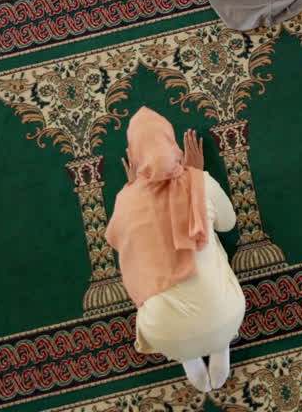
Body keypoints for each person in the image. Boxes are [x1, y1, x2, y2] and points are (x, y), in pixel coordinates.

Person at [104, 107, 245, 392]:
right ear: (172, 146)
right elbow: (228, 224)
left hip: (165, 335)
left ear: (135, 157)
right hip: (227, 316)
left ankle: (186, 354)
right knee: (208, 239)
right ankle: (220, 343)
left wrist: (132, 189)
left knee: (146, 261)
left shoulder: (126, 200)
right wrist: (197, 175)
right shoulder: (199, 181)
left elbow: (118, 242)